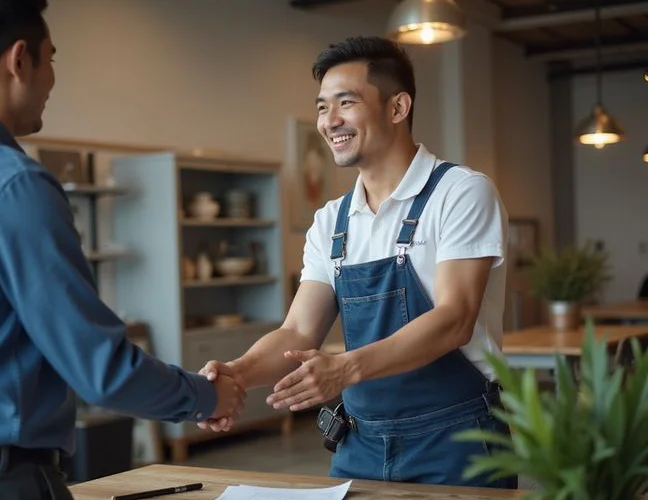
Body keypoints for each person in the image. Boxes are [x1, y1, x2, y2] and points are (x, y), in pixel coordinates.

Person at [0, 1, 245, 498]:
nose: (53, 79)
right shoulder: (12, 182)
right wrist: (207, 395)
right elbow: (99, 368)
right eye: (51, 58)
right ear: (19, 61)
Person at [200, 36, 516, 489]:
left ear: (397, 107)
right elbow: (297, 332)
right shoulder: (332, 220)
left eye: (345, 103)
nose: (330, 122)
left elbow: (454, 319)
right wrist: (236, 374)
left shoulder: (461, 192)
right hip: (360, 443)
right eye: (322, 107)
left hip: (457, 439)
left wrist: (345, 368)